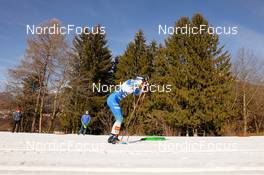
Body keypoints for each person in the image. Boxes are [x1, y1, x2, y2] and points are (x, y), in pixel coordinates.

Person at [107, 76, 147, 144]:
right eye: (142, 82)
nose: (142, 84)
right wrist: (141, 83)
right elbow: (129, 85)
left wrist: (143, 89)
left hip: (115, 100)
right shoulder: (130, 81)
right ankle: (114, 137)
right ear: (139, 80)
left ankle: (112, 136)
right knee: (120, 118)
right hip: (113, 99)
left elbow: (136, 93)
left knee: (119, 119)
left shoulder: (135, 87)